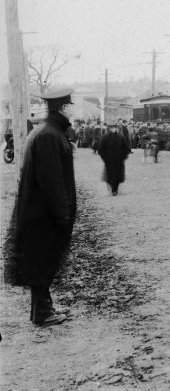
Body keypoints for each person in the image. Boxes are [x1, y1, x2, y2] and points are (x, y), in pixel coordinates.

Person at [5, 86, 76, 326]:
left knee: (43, 261)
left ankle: (43, 308)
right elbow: (51, 180)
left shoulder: (48, 131)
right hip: (44, 214)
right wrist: (61, 213)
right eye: (71, 105)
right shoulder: (49, 135)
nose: (73, 109)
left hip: (40, 212)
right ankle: (43, 312)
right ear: (64, 107)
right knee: (43, 261)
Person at [98, 123, 130, 195]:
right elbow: (101, 149)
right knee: (110, 175)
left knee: (118, 175)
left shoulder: (120, 136)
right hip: (109, 160)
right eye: (112, 128)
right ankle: (113, 189)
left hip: (119, 160)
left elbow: (125, 147)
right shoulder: (105, 137)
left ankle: (115, 189)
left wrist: (124, 157)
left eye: (114, 127)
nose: (113, 129)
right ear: (109, 129)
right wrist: (105, 158)